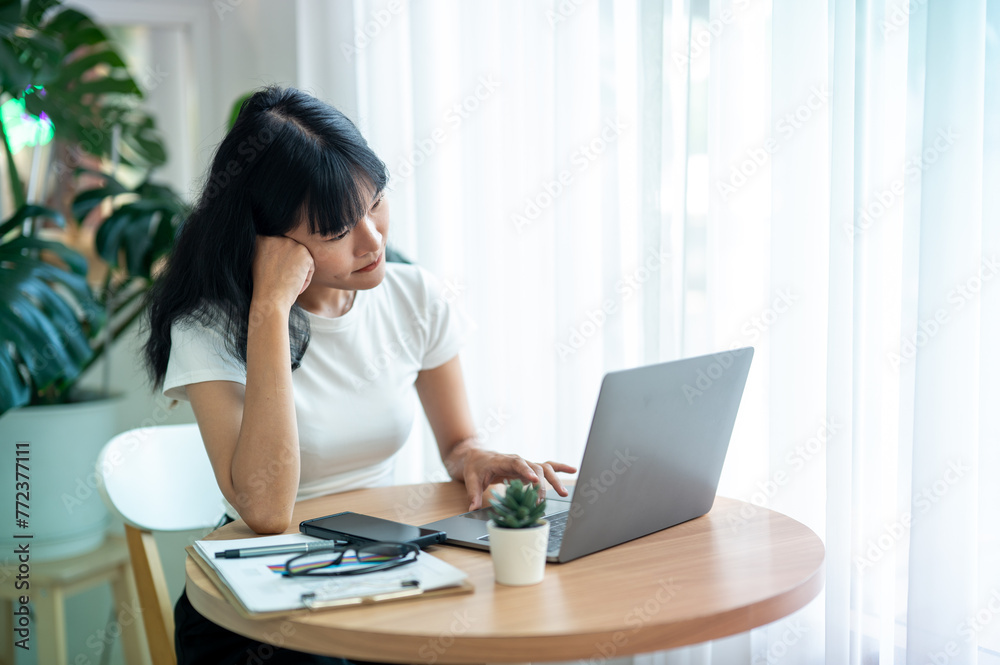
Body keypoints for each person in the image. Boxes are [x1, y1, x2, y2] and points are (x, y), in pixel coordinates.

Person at [142, 86, 577, 665]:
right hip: (261, 614)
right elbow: (267, 511)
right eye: (336, 229)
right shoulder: (212, 327)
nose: (372, 242)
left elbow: (456, 442)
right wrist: (271, 307)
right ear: (272, 239)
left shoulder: (414, 296)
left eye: (374, 206)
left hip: (379, 570)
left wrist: (473, 457)